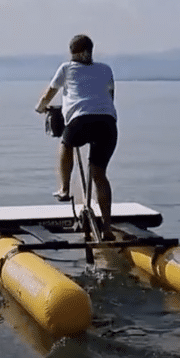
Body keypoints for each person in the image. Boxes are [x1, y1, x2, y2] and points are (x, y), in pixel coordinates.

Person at [35, 35, 118, 240]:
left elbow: (49, 94)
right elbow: (110, 96)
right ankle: (107, 228)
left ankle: (64, 189)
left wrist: (40, 108)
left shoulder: (66, 68)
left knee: (66, 144)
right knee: (99, 175)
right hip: (108, 123)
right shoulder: (105, 69)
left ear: (73, 53)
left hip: (80, 121)